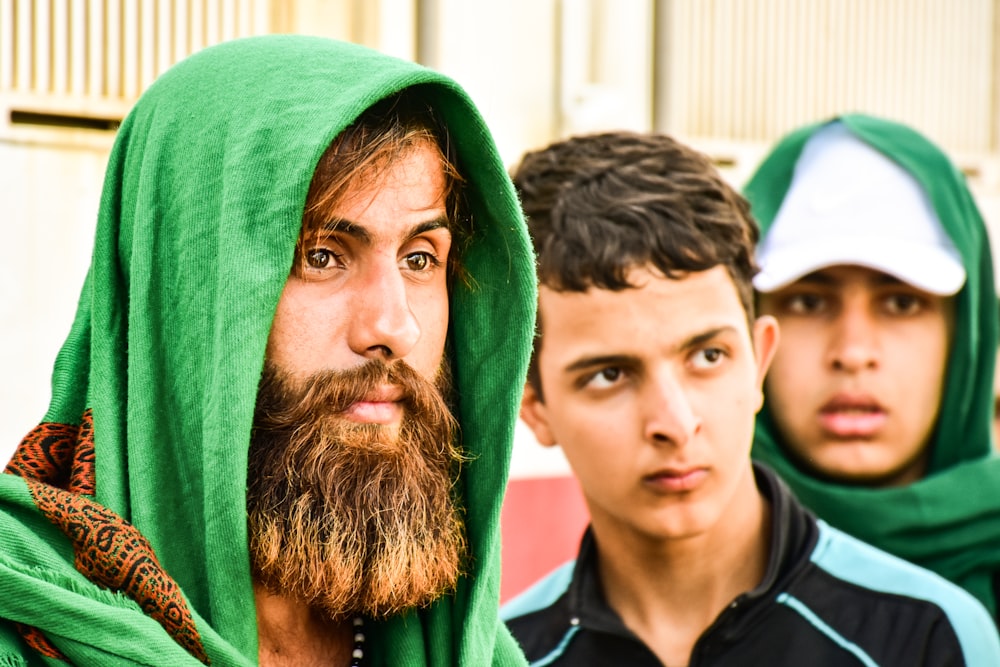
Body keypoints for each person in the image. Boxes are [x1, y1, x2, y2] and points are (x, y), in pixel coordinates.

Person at [0, 35, 537, 666]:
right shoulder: (28, 636)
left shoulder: (469, 652)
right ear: (182, 294)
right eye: (321, 256)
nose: (395, 328)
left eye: (420, 259)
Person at [500, 130, 1000, 665]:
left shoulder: (929, 636)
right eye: (609, 375)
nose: (675, 421)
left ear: (760, 361)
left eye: (708, 356)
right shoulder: (500, 655)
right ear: (533, 405)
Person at [746, 115, 1000, 624]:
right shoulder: (672, 583)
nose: (853, 351)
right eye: (807, 301)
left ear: (966, 335)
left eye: (902, 302)